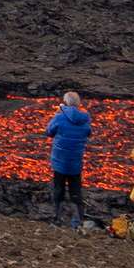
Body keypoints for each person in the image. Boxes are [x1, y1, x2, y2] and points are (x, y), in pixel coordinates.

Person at [45, 91, 93, 228]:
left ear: (65, 102)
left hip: (59, 161)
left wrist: (58, 114)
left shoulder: (59, 117)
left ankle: (57, 218)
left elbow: (49, 132)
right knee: (75, 191)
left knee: (58, 189)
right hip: (75, 162)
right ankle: (77, 221)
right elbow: (88, 132)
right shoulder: (85, 118)